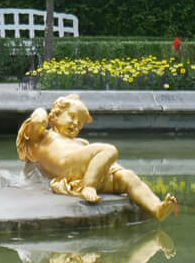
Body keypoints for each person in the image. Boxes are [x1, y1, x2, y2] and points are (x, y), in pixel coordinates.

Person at [16, 94, 176, 220]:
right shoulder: (42, 137)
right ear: (55, 115)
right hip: (67, 166)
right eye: (71, 117)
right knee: (108, 150)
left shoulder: (80, 142)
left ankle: (156, 208)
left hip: (87, 173)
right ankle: (89, 186)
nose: (75, 124)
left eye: (80, 124)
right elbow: (35, 123)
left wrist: (113, 172)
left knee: (129, 177)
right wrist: (41, 113)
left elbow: (98, 162)